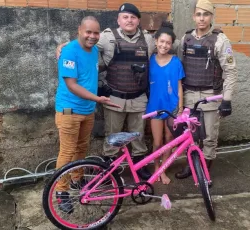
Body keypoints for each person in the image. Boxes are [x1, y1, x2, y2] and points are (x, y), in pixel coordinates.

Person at [54, 16, 120, 214]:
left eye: (95, 33)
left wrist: (93, 102)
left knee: (82, 147)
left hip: (87, 110)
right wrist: (98, 99)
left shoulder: (93, 51)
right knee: (67, 151)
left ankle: (77, 179)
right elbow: (71, 85)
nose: (92, 36)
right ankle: (61, 191)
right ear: (79, 30)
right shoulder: (69, 51)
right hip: (69, 110)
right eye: (88, 32)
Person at [175, 0, 238, 179]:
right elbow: (178, 66)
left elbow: (231, 71)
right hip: (188, 95)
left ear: (211, 16)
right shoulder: (186, 38)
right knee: (190, 136)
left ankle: (204, 170)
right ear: (194, 16)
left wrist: (227, 99)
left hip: (211, 95)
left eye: (206, 14)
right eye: (199, 14)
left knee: (209, 137)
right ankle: (191, 166)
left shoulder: (220, 40)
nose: (202, 18)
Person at [97, 3, 156, 180]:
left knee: (138, 136)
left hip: (138, 98)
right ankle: (109, 170)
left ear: (138, 20)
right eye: (125, 17)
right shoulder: (107, 38)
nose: (129, 20)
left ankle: (139, 166)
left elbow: (169, 44)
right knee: (112, 136)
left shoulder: (148, 40)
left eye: (133, 17)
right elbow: (85, 43)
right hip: (114, 97)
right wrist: (62, 46)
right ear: (118, 20)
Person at [145, 22, 185, 184]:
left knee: (169, 139)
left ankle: (163, 170)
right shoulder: (150, 61)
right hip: (155, 106)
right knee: (157, 141)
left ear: (171, 45)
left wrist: (180, 108)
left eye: (168, 43)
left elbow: (180, 87)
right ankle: (156, 169)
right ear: (156, 41)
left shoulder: (176, 62)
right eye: (161, 41)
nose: (164, 45)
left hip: (172, 107)